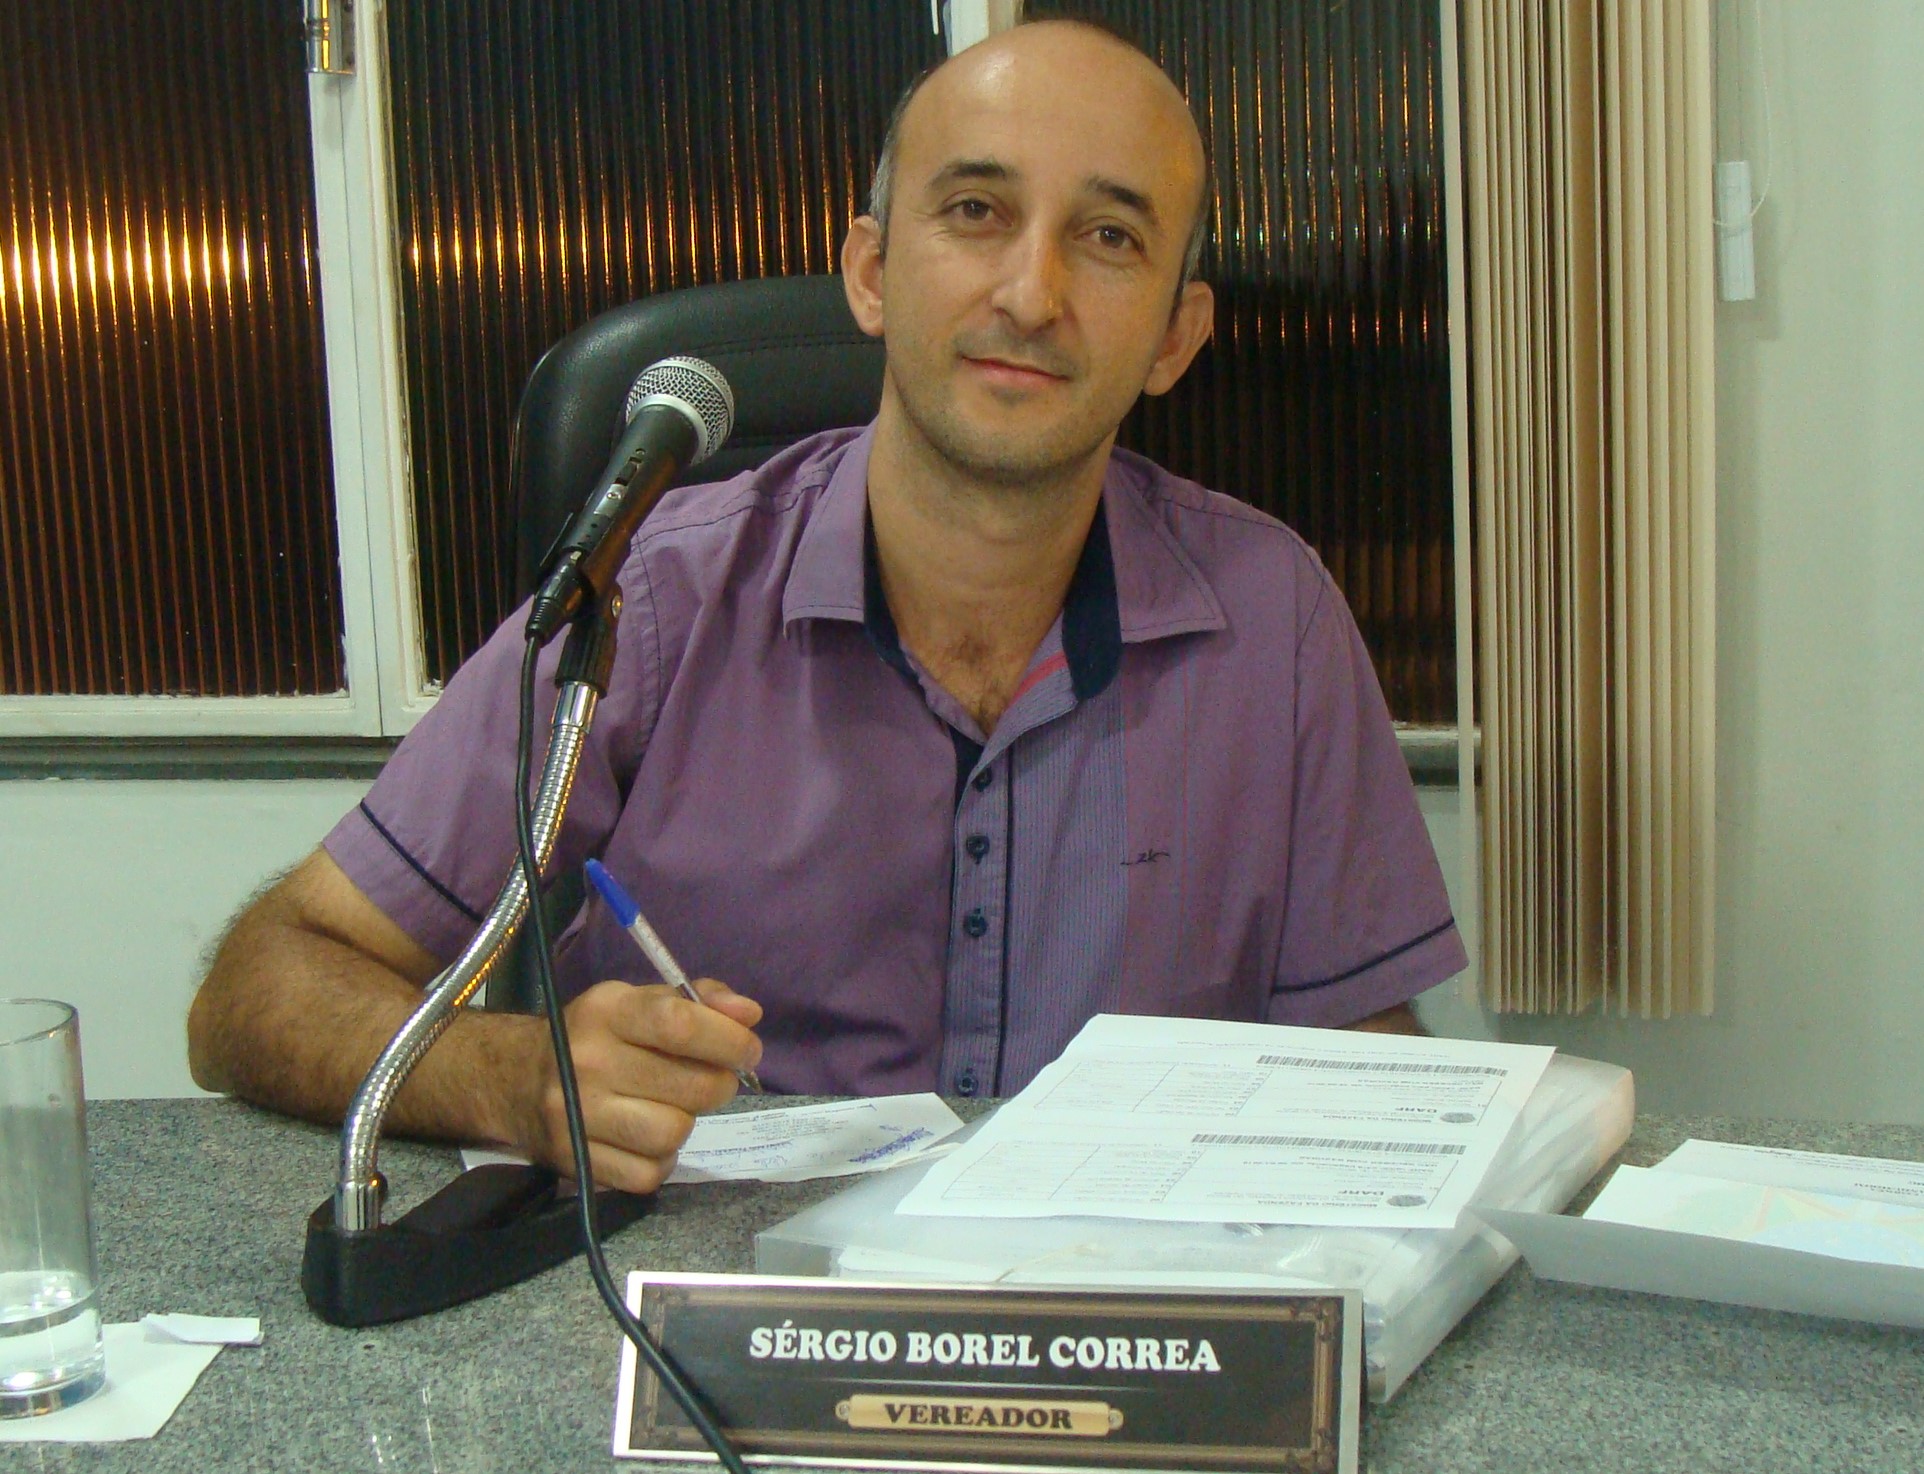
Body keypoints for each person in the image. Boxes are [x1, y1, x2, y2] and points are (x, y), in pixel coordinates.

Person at [187, 18, 1466, 1195]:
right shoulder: (655, 600)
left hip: (1110, 1313)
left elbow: (1363, 1069)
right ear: (870, 271)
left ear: (1176, 336)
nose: (1031, 294)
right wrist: (513, 1075)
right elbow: (263, 978)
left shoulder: (1273, 620)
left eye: (1110, 238)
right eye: (975, 211)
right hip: (704, 1315)